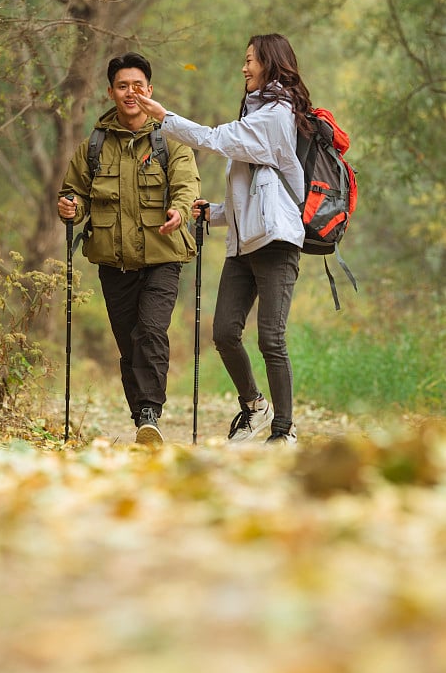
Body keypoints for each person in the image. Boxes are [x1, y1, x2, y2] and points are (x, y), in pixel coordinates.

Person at [134, 33, 312, 445]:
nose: (244, 67)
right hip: (244, 244)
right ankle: (254, 406)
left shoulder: (275, 114)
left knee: (271, 337)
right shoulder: (257, 115)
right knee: (224, 333)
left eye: (250, 60)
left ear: (270, 62)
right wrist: (212, 212)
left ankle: (284, 431)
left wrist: (166, 117)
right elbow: (251, 194)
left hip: (277, 243)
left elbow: (214, 139)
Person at [58, 52, 200, 446]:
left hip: (163, 257)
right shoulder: (94, 146)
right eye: (123, 86)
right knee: (128, 341)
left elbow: (187, 184)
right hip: (113, 261)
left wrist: (180, 209)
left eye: (138, 85)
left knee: (151, 331)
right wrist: (70, 207)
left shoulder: (170, 139)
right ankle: (142, 419)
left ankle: (151, 409)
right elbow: (76, 194)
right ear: (111, 92)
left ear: (150, 90)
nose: (131, 92)